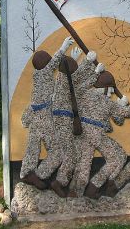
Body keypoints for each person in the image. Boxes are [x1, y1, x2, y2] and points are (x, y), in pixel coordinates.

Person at [68, 71, 130, 199]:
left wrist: (119, 107)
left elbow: (118, 119)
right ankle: (93, 188)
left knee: (83, 165)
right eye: (111, 90)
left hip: (85, 134)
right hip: (96, 135)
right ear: (105, 88)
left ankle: (75, 193)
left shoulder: (86, 95)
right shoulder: (106, 102)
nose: (111, 93)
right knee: (115, 159)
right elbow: (123, 112)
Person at [19, 36, 74, 189]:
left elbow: (59, 79)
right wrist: (63, 49)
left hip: (37, 116)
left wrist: (70, 63)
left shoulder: (40, 76)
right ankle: (39, 175)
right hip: (43, 117)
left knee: (33, 147)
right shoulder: (43, 73)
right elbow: (52, 64)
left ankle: (27, 174)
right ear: (45, 63)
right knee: (57, 152)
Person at [50, 50, 104, 197]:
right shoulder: (66, 80)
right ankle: (59, 183)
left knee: (73, 154)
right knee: (71, 154)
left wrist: (82, 63)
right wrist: (90, 65)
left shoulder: (62, 79)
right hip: (63, 120)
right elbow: (78, 81)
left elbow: (76, 80)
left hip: (65, 119)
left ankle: (66, 184)